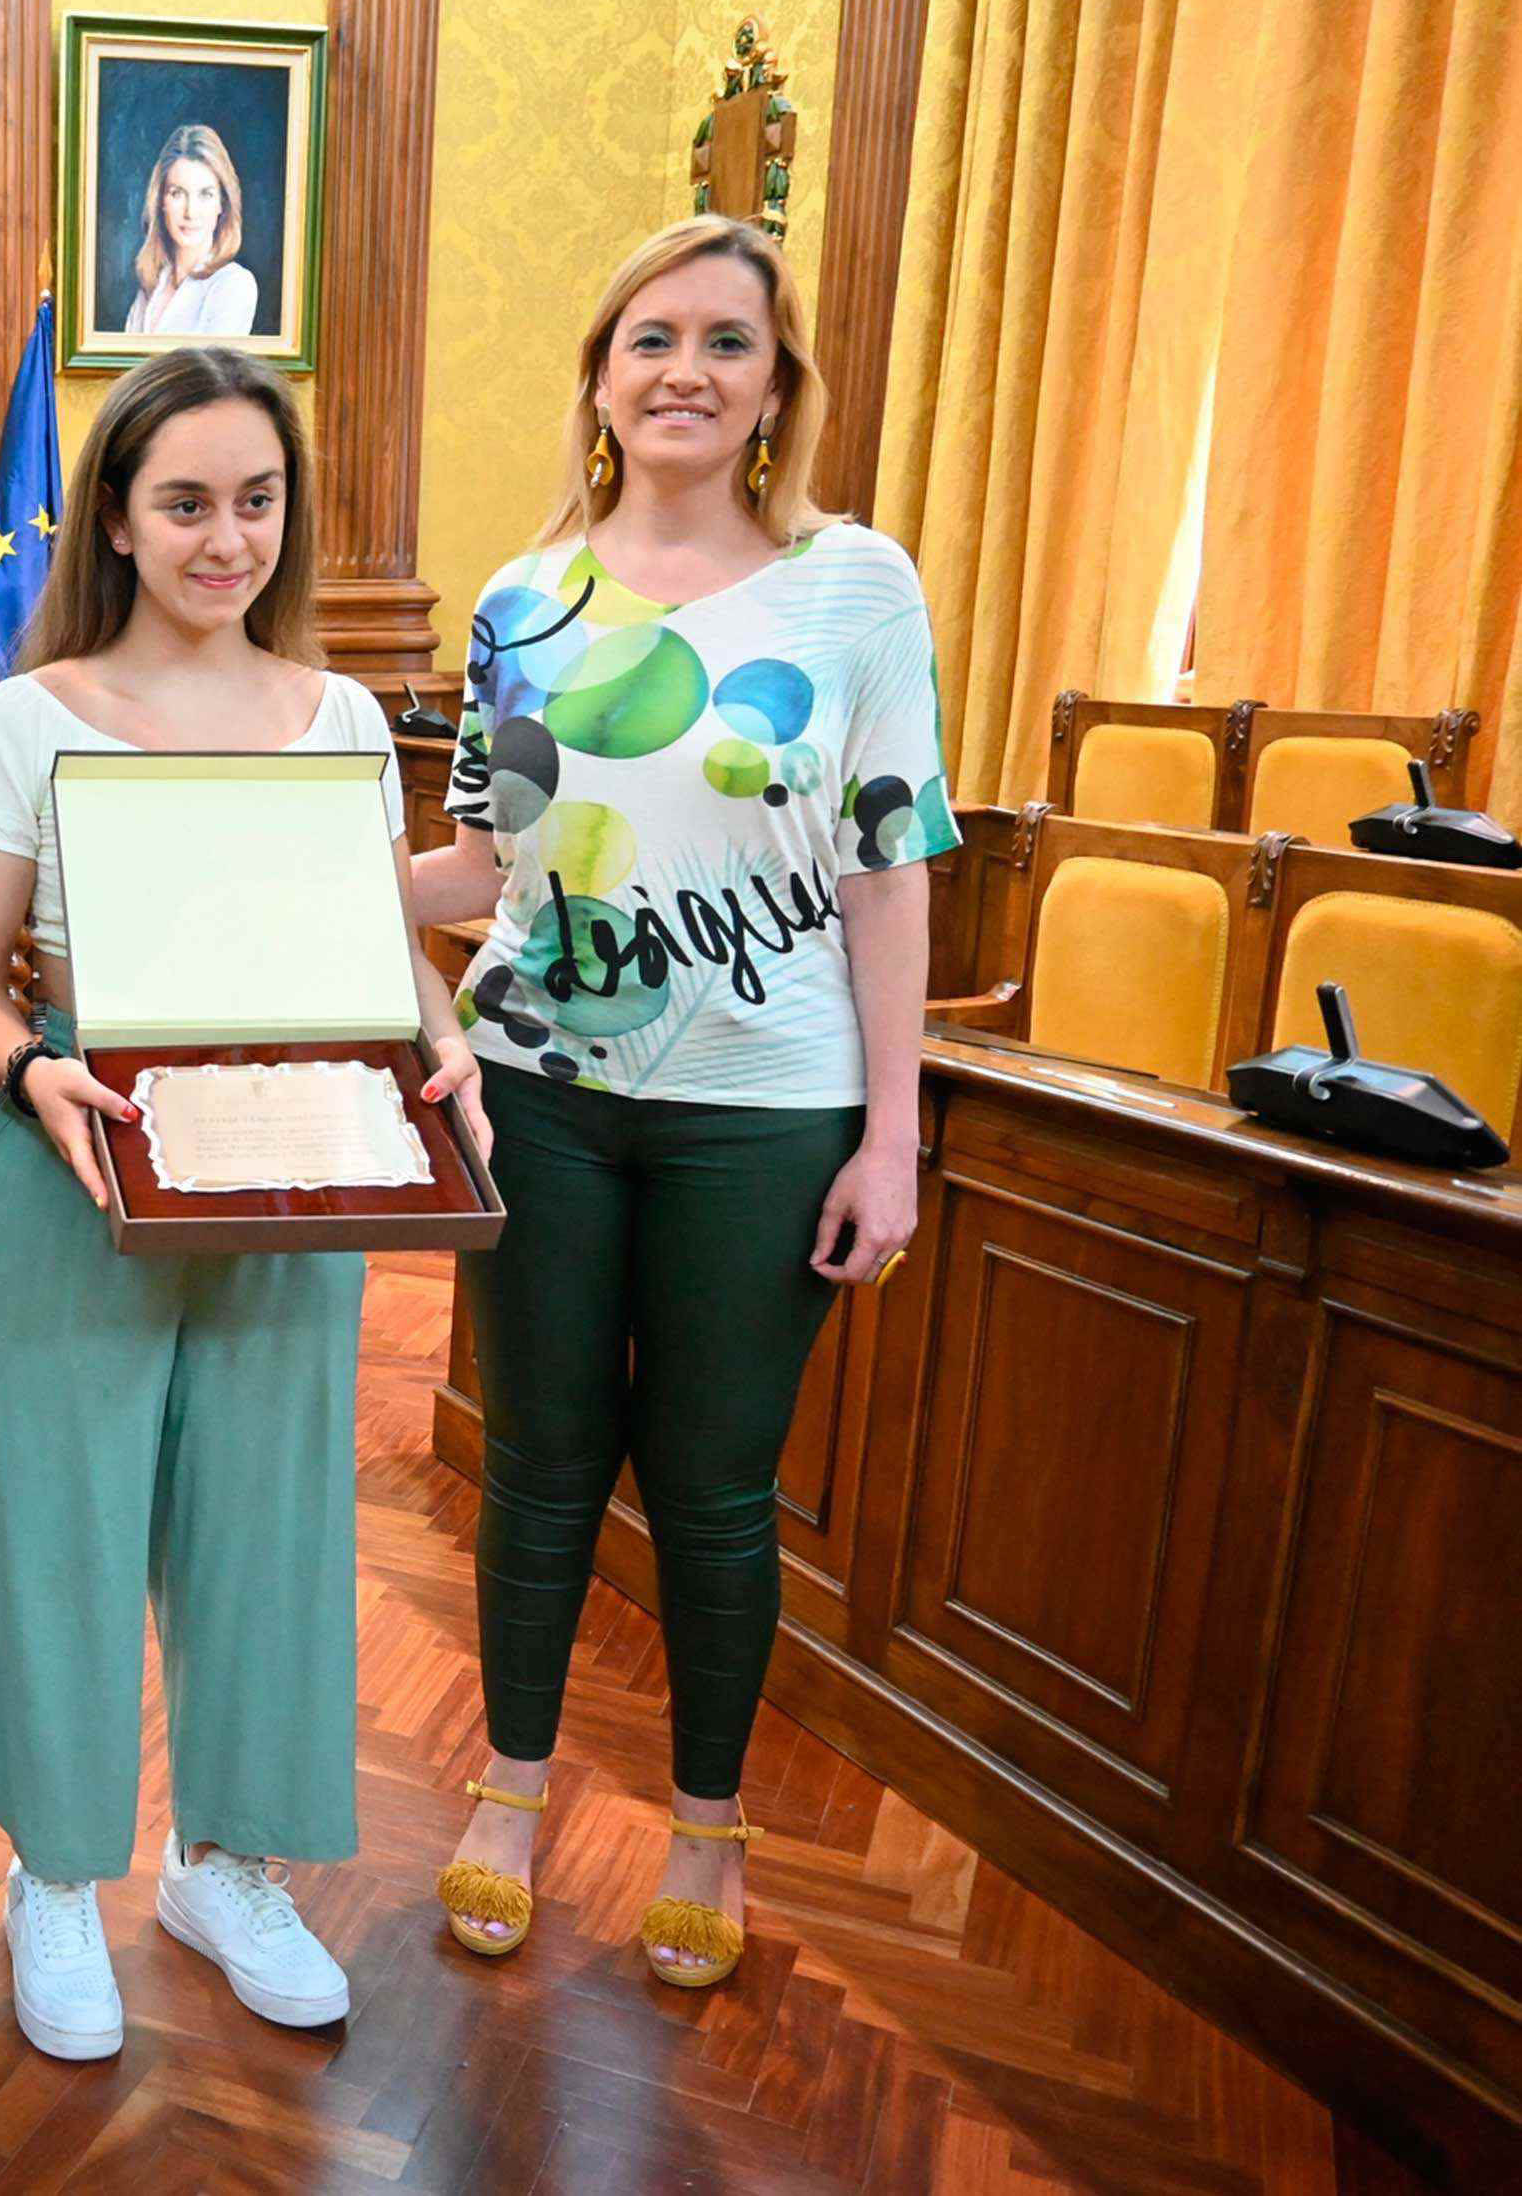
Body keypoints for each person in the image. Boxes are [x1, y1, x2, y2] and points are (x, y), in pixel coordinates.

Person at [0, 344, 486, 2061]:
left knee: (267, 1516)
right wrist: (34, 1074)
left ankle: (225, 1863)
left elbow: (377, 957)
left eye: (256, 499)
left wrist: (445, 1046)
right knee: (57, 1520)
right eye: (184, 500)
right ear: (116, 513)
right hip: (81, 1144)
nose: (223, 535)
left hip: (289, 1144)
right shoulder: (22, 715)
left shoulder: (333, 714)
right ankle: (56, 1874)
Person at [417, 214, 954, 1988]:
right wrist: (270, 853)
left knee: (714, 1490)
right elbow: (487, 859)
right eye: (650, 336)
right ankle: (505, 1790)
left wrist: (893, 1131)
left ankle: (707, 1827)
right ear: (596, 374)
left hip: (767, 1104)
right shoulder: (522, 597)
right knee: (540, 1466)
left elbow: (888, 873)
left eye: (726, 342)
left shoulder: (853, 585)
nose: (682, 370)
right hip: (533, 1091)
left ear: (774, 388)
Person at [122, 124, 258, 338]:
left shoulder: (233, 285)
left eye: (205, 194)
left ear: (222, 204)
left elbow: (209, 372)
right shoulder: (152, 286)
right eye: (177, 194)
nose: (191, 212)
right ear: (160, 202)